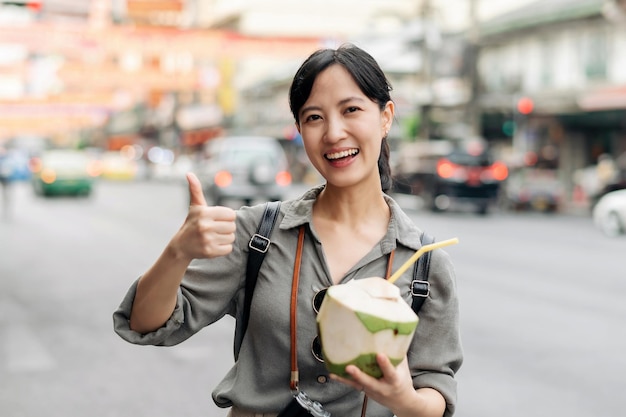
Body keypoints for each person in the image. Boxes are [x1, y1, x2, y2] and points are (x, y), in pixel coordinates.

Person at [113, 43, 462, 417]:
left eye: (351, 110)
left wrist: (403, 399)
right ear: (299, 129)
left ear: (385, 117)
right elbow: (146, 323)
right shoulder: (258, 233)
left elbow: (435, 391)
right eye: (314, 118)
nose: (334, 133)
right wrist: (178, 253)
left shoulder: (425, 263)